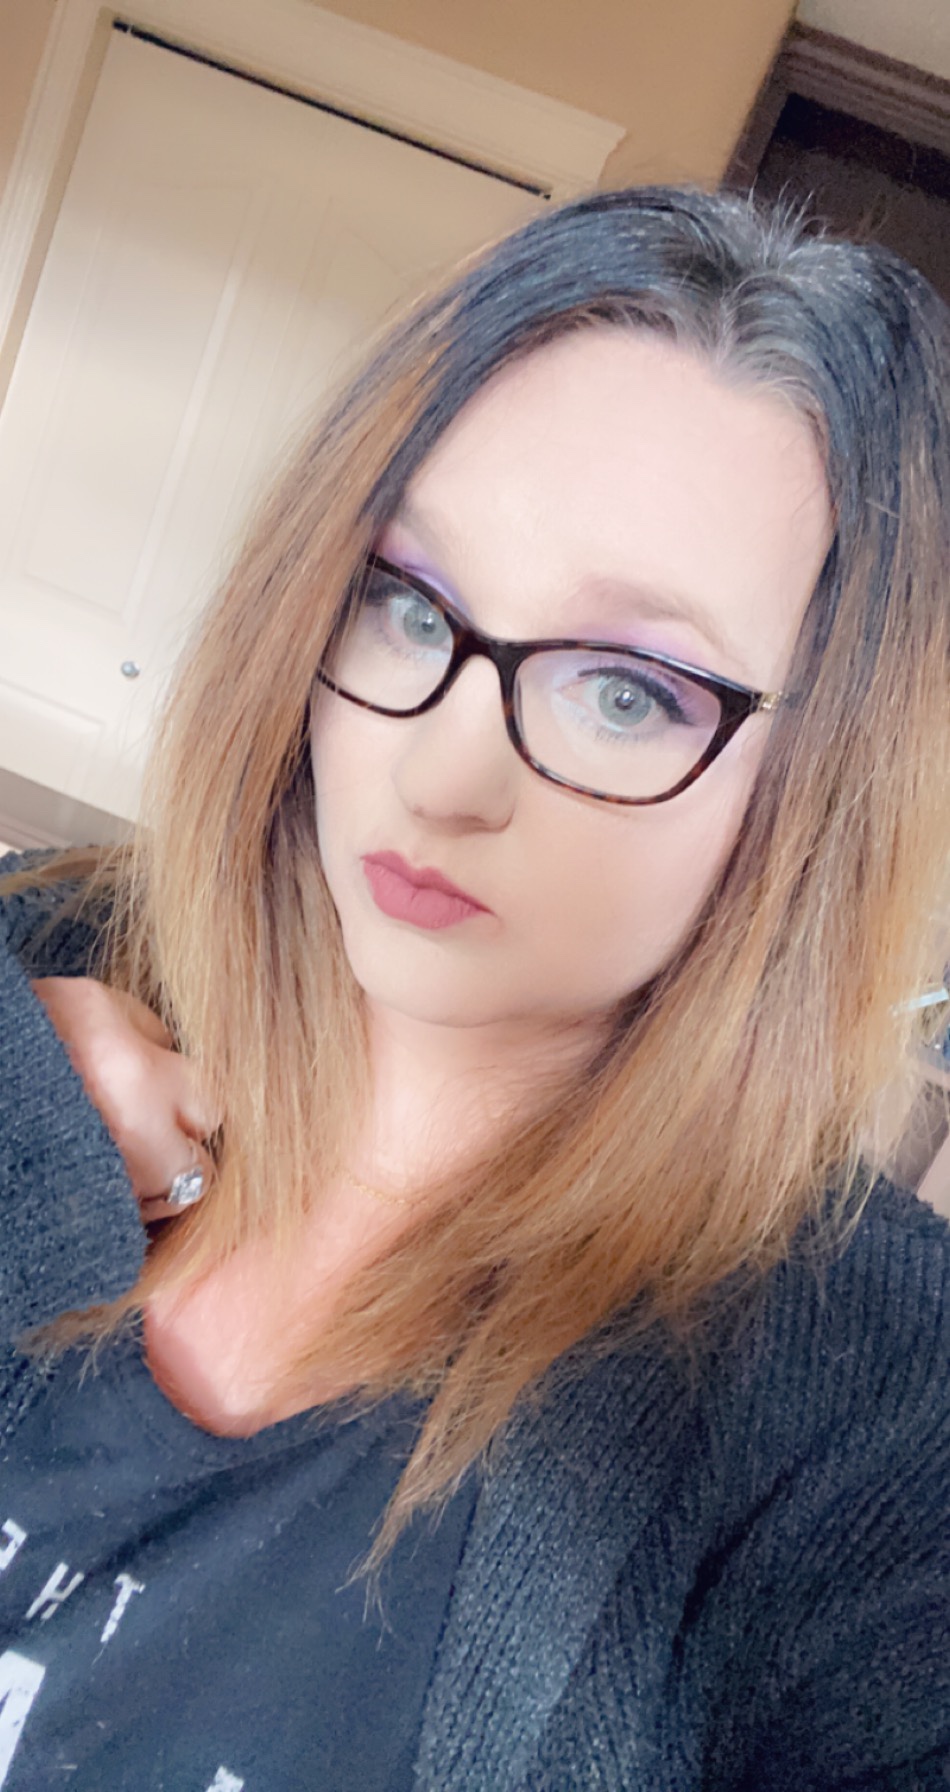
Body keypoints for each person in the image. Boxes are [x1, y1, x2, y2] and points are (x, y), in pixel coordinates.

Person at [0, 186, 948, 1791]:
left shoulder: (873, 1410)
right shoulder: (48, 962)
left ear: (817, 795)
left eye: (627, 692)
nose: (438, 777)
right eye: (404, 601)